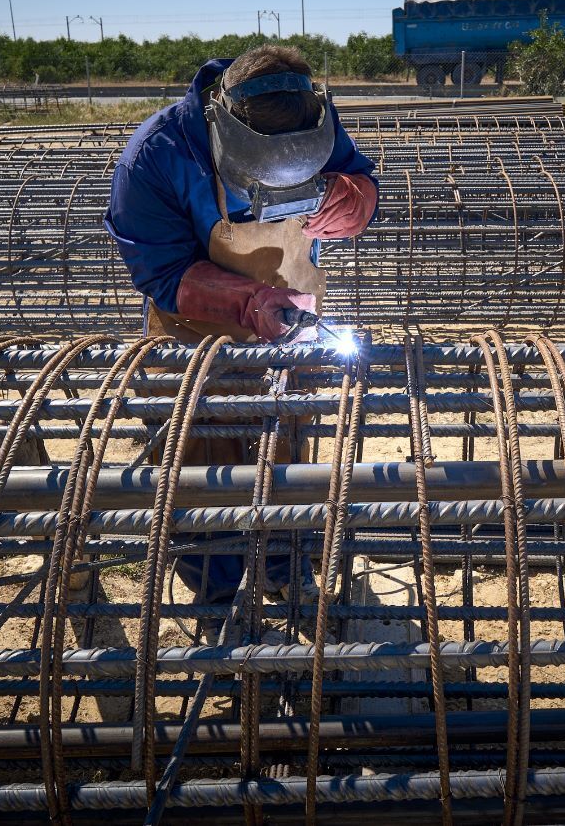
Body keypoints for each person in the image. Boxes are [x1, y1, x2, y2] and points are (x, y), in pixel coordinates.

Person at [104, 45, 378, 629]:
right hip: (192, 333)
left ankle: (287, 568)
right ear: (224, 127)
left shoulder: (311, 118)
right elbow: (162, 273)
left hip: (290, 327)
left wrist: (355, 201)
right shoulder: (155, 157)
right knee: (201, 473)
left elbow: (359, 175)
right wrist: (248, 301)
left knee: (285, 457)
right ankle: (220, 603)